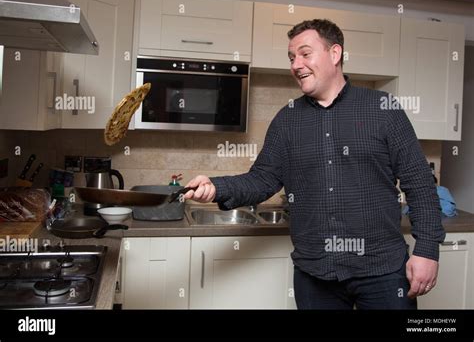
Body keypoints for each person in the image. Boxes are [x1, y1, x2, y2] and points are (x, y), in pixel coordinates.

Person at [183, 19, 445, 309]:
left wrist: (427, 249)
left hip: (382, 271)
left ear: (335, 54)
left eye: (305, 54)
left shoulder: (383, 109)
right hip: (315, 275)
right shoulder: (287, 120)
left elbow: (419, 183)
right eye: (292, 57)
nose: (296, 64)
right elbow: (262, 179)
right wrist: (216, 187)